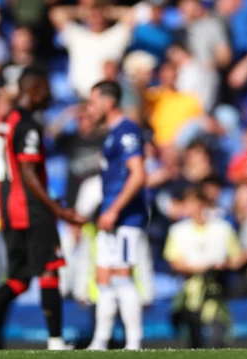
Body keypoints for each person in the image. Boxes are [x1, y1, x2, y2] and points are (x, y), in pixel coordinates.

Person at [0, 67, 86, 351]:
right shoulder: (27, 124)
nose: (49, 96)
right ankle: (56, 341)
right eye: (46, 90)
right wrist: (54, 209)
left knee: (19, 278)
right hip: (30, 209)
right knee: (49, 269)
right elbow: (26, 170)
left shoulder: (5, 122)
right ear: (34, 89)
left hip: (9, 209)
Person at [85, 80, 148, 350]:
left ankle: (134, 342)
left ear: (108, 102)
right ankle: (100, 340)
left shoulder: (127, 131)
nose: (89, 109)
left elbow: (138, 174)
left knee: (122, 276)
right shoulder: (111, 133)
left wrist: (113, 209)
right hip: (111, 215)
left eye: (92, 102)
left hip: (124, 217)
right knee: (105, 279)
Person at [164, 186, 244, 348]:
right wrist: (201, 269)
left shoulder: (223, 228)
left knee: (217, 339)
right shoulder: (177, 230)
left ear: (202, 204)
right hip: (189, 295)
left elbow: (237, 257)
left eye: (192, 203)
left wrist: (224, 265)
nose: (189, 207)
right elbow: (174, 262)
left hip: (217, 292)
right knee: (194, 341)